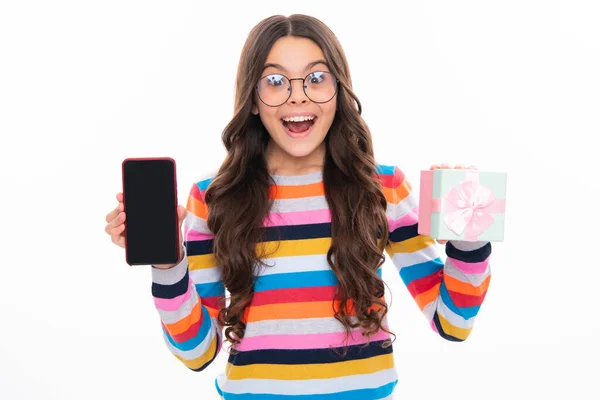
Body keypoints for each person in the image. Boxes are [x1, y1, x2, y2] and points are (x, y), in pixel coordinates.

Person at [105, 14, 492, 399]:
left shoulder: (383, 187)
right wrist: (168, 263)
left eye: (316, 78)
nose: (298, 96)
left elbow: (454, 322)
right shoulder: (213, 198)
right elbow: (196, 354)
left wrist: (469, 236)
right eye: (275, 81)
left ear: (339, 91)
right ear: (253, 100)